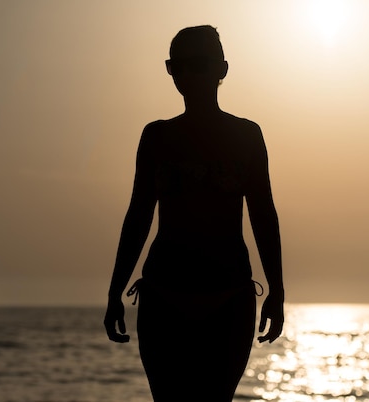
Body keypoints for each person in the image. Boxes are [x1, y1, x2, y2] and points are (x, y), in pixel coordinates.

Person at [104, 25, 284, 402]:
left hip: (229, 293)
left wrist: (277, 291)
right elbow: (138, 214)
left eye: (198, 64)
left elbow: (263, 214)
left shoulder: (246, 135)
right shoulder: (157, 136)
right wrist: (114, 291)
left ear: (222, 69)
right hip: (164, 294)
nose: (187, 75)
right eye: (177, 66)